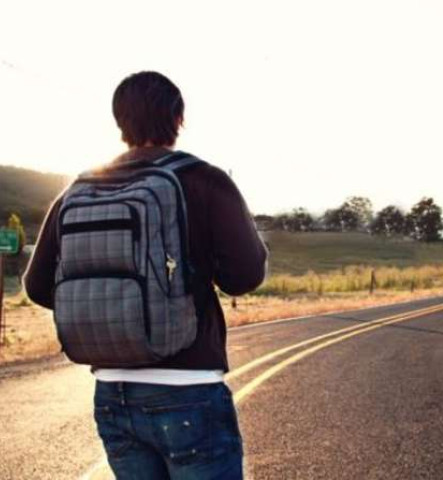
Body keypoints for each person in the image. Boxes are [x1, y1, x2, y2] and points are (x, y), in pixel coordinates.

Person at [23, 71, 268, 479]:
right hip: (189, 387)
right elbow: (244, 277)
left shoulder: (79, 188)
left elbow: (37, 286)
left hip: (111, 393)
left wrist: (109, 310)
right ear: (178, 118)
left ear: (119, 121)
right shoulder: (205, 180)